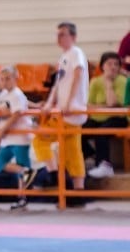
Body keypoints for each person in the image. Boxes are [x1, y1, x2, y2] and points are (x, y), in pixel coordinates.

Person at [32, 21, 89, 203]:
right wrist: (49, 103)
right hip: (66, 112)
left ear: (73, 37)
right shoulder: (63, 57)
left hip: (71, 110)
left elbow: (78, 74)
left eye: (63, 34)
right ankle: (78, 192)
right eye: (58, 34)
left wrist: (70, 101)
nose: (59, 37)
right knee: (73, 152)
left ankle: (55, 174)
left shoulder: (76, 53)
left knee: (40, 139)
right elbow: (58, 84)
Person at [0, 66, 37, 209]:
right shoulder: (4, 94)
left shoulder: (17, 94)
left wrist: (2, 129)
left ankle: (22, 197)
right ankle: (25, 172)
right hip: (9, 138)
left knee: (20, 163)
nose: (5, 82)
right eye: (2, 79)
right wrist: (2, 110)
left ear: (15, 78)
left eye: (8, 78)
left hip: (20, 136)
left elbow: (17, 113)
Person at [83, 51, 127, 179]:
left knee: (101, 132)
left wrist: (108, 85)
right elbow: (88, 105)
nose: (113, 67)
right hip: (98, 117)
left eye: (116, 64)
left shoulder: (123, 81)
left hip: (118, 117)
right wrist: (104, 106)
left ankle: (105, 166)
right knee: (78, 131)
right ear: (102, 66)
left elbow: (113, 104)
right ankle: (91, 155)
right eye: (109, 64)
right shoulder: (95, 81)